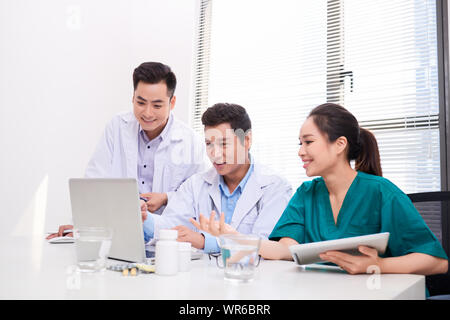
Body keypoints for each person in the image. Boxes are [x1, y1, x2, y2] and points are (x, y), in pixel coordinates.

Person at [192, 103, 448, 275]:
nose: (300, 151)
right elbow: (284, 250)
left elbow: (437, 262)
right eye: (300, 143)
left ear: (339, 145)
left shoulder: (382, 193)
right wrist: (234, 236)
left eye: (309, 142)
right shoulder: (307, 193)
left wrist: (379, 264)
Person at [47, 62, 207, 239]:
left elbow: (199, 197)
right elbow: (94, 183)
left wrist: (166, 197)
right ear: (133, 98)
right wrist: (83, 227)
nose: (147, 113)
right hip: (117, 233)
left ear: (172, 102)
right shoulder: (117, 127)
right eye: (141, 102)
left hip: (166, 239)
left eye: (157, 105)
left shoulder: (190, 141)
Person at [142, 103, 292, 252]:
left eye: (224, 144)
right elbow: (171, 227)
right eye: (209, 144)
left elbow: (266, 247)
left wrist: (205, 242)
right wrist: (143, 218)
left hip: (250, 275)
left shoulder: (275, 187)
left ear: (246, 140)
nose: (215, 153)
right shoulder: (195, 184)